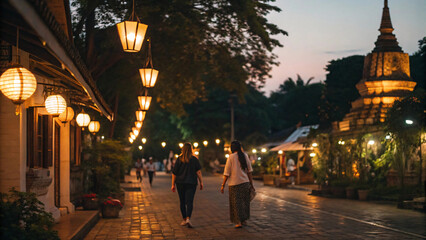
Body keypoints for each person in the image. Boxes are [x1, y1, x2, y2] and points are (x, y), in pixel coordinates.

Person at [220, 140, 254, 228]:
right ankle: (244, 220)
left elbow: (226, 173)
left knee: (236, 203)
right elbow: (249, 171)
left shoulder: (231, 157)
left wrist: (223, 185)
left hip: (234, 184)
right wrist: (251, 184)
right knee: (244, 202)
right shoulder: (245, 155)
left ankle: (238, 222)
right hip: (245, 183)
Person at [171, 143, 203, 228]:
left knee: (182, 201)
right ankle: (188, 218)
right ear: (191, 149)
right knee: (189, 201)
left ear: (183, 149)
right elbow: (198, 172)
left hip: (180, 183)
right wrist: (201, 182)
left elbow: (174, 173)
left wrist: (172, 184)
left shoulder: (179, 159)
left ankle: (184, 219)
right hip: (191, 183)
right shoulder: (194, 159)